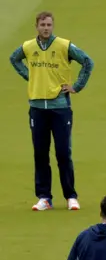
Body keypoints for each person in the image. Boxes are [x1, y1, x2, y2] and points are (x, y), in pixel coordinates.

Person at [9, 11, 94, 211]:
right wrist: (29, 76)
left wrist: (76, 86)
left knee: (63, 153)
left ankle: (71, 196)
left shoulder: (64, 45)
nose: (45, 28)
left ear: (52, 26)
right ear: (36, 26)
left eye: (48, 25)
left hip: (60, 107)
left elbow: (88, 62)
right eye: (42, 25)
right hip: (37, 108)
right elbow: (14, 59)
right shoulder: (28, 47)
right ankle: (44, 197)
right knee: (40, 153)